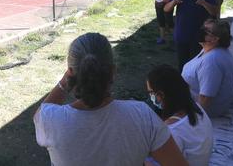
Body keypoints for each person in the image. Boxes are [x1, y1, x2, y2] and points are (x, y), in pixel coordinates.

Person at [33, 33, 188, 166]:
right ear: (113, 72)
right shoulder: (142, 115)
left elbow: (41, 113)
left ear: (71, 73)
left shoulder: (51, 119)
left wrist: (64, 82)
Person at [146, 64, 213, 166]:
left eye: (151, 92)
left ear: (161, 95)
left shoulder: (171, 130)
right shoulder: (197, 108)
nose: (151, 96)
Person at [182, 19, 233, 117]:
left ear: (215, 39)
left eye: (205, 30)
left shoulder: (212, 61)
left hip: (200, 111)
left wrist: (192, 120)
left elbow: (205, 98)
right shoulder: (208, 50)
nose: (200, 31)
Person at [164, 0, 218, 70]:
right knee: (183, 65)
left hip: (200, 37)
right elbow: (166, 9)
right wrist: (174, 2)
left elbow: (214, 12)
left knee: (198, 65)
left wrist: (204, 3)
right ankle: (183, 84)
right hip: (182, 35)